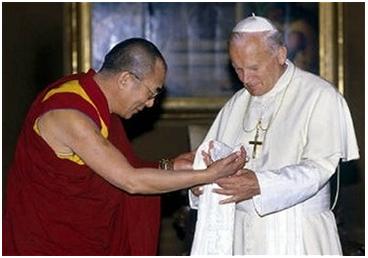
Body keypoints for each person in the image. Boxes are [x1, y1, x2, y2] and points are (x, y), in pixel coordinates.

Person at [3, 38, 246, 255]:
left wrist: (170, 166)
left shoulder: (91, 97)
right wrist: (207, 175)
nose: (151, 104)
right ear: (126, 79)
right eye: (151, 93)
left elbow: (114, 168)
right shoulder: (71, 116)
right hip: (47, 241)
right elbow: (130, 181)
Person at [190, 14, 359, 255]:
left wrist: (261, 184)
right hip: (241, 233)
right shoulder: (237, 103)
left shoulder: (320, 96)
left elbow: (320, 167)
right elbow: (209, 159)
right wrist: (202, 183)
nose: (246, 79)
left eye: (254, 68)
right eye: (238, 69)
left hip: (301, 234)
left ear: (280, 54)